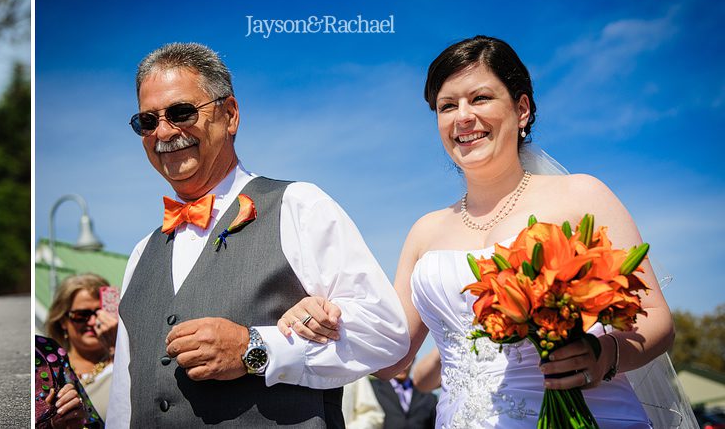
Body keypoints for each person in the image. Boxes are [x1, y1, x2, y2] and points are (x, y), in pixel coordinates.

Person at [281, 35, 675, 428]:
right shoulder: (424, 231)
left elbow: (656, 319)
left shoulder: (583, 195)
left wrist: (604, 354)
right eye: (447, 106)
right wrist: (324, 316)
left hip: (589, 414)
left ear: (522, 109)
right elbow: (392, 357)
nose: (462, 117)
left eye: (480, 98)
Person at [107, 42, 410, 428]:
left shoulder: (298, 206)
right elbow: (123, 401)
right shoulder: (141, 254)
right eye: (147, 121)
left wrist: (257, 348)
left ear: (229, 114)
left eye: (181, 112)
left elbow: (385, 332)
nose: (164, 132)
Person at [43, 274, 118, 422]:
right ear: (63, 320)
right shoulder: (50, 370)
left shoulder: (123, 364)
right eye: (81, 315)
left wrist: (117, 349)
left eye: (99, 313)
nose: (92, 321)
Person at [369, 361, 437, 429]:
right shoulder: (371, 389)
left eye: (406, 360)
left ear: (413, 360)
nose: (402, 366)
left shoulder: (429, 397)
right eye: (398, 359)